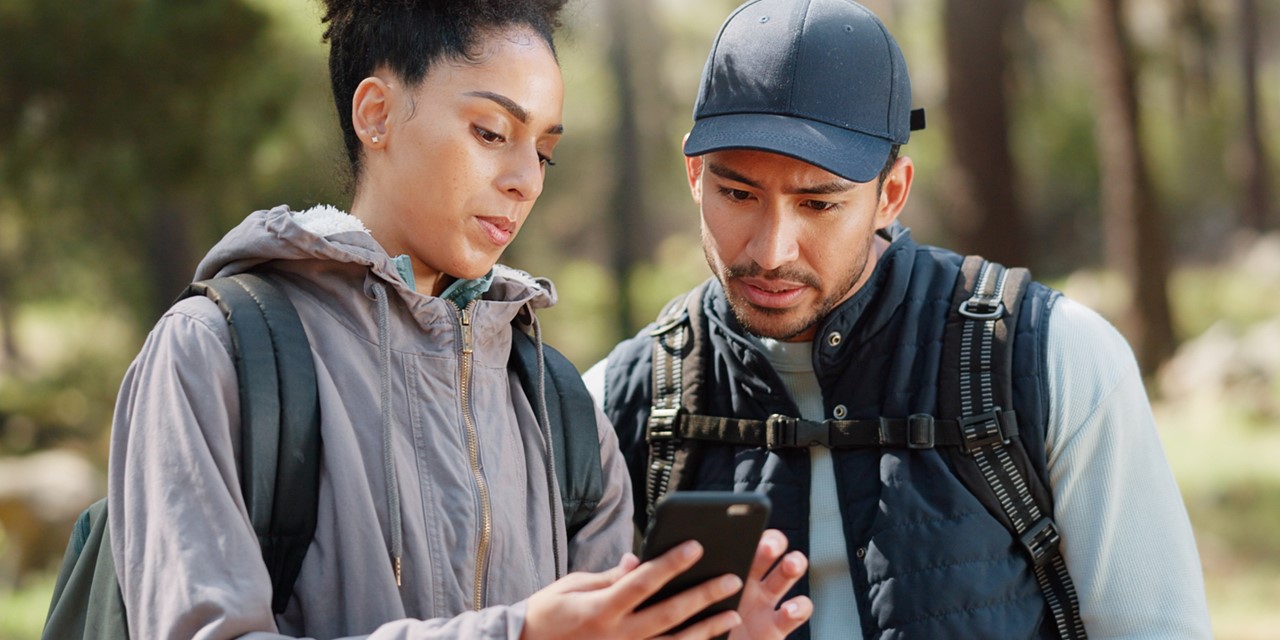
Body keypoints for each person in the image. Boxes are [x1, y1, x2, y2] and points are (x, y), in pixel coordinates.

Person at [106, 0, 813, 637]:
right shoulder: (214, 356)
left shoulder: (557, 405)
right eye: (490, 131)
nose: (526, 179)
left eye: (544, 151)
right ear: (375, 113)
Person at [585, 0, 1213, 637]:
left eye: (818, 204)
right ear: (695, 174)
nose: (771, 251)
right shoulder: (615, 400)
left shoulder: (1057, 357)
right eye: (738, 194)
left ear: (891, 194)